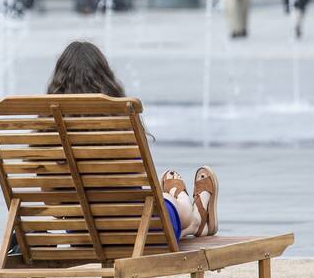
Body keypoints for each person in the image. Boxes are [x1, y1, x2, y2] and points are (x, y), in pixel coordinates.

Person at [45, 41, 218, 239]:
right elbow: (140, 179)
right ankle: (191, 209)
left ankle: (197, 221)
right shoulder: (121, 124)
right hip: (137, 227)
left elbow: (52, 201)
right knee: (176, 208)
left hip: (83, 233)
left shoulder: (48, 132)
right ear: (105, 80)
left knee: (161, 210)